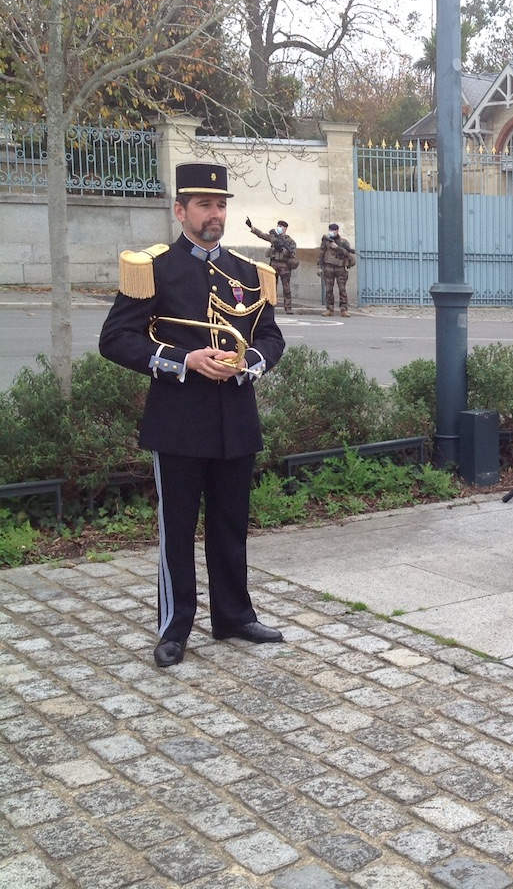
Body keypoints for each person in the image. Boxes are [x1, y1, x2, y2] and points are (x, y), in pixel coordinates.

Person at [99, 162, 287, 667]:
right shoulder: (154, 267)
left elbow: (272, 337)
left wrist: (247, 362)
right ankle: (175, 627)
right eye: (204, 205)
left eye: (221, 205)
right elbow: (114, 340)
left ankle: (233, 616)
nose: (215, 214)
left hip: (235, 421)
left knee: (230, 524)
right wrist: (184, 360)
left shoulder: (250, 273)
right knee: (177, 530)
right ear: (180, 210)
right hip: (178, 423)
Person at [246, 217, 298, 313]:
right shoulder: (274, 237)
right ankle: (270, 306)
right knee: (271, 287)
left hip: (285, 266)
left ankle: (288, 307)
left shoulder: (290, 241)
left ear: (285, 229)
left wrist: (283, 250)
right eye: (278, 226)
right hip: (274, 264)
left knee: (286, 288)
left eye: (281, 226)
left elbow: (293, 253)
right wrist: (252, 227)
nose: (279, 228)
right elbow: (262, 235)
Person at [318, 223, 355, 317]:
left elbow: (348, 253)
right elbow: (321, 255)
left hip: (340, 268)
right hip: (328, 268)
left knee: (342, 289)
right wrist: (319, 267)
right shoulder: (326, 242)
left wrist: (337, 247)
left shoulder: (343, 242)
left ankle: (344, 309)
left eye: (333, 230)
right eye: (330, 230)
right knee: (328, 290)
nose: (331, 232)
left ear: (337, 231)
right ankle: (329, 309)